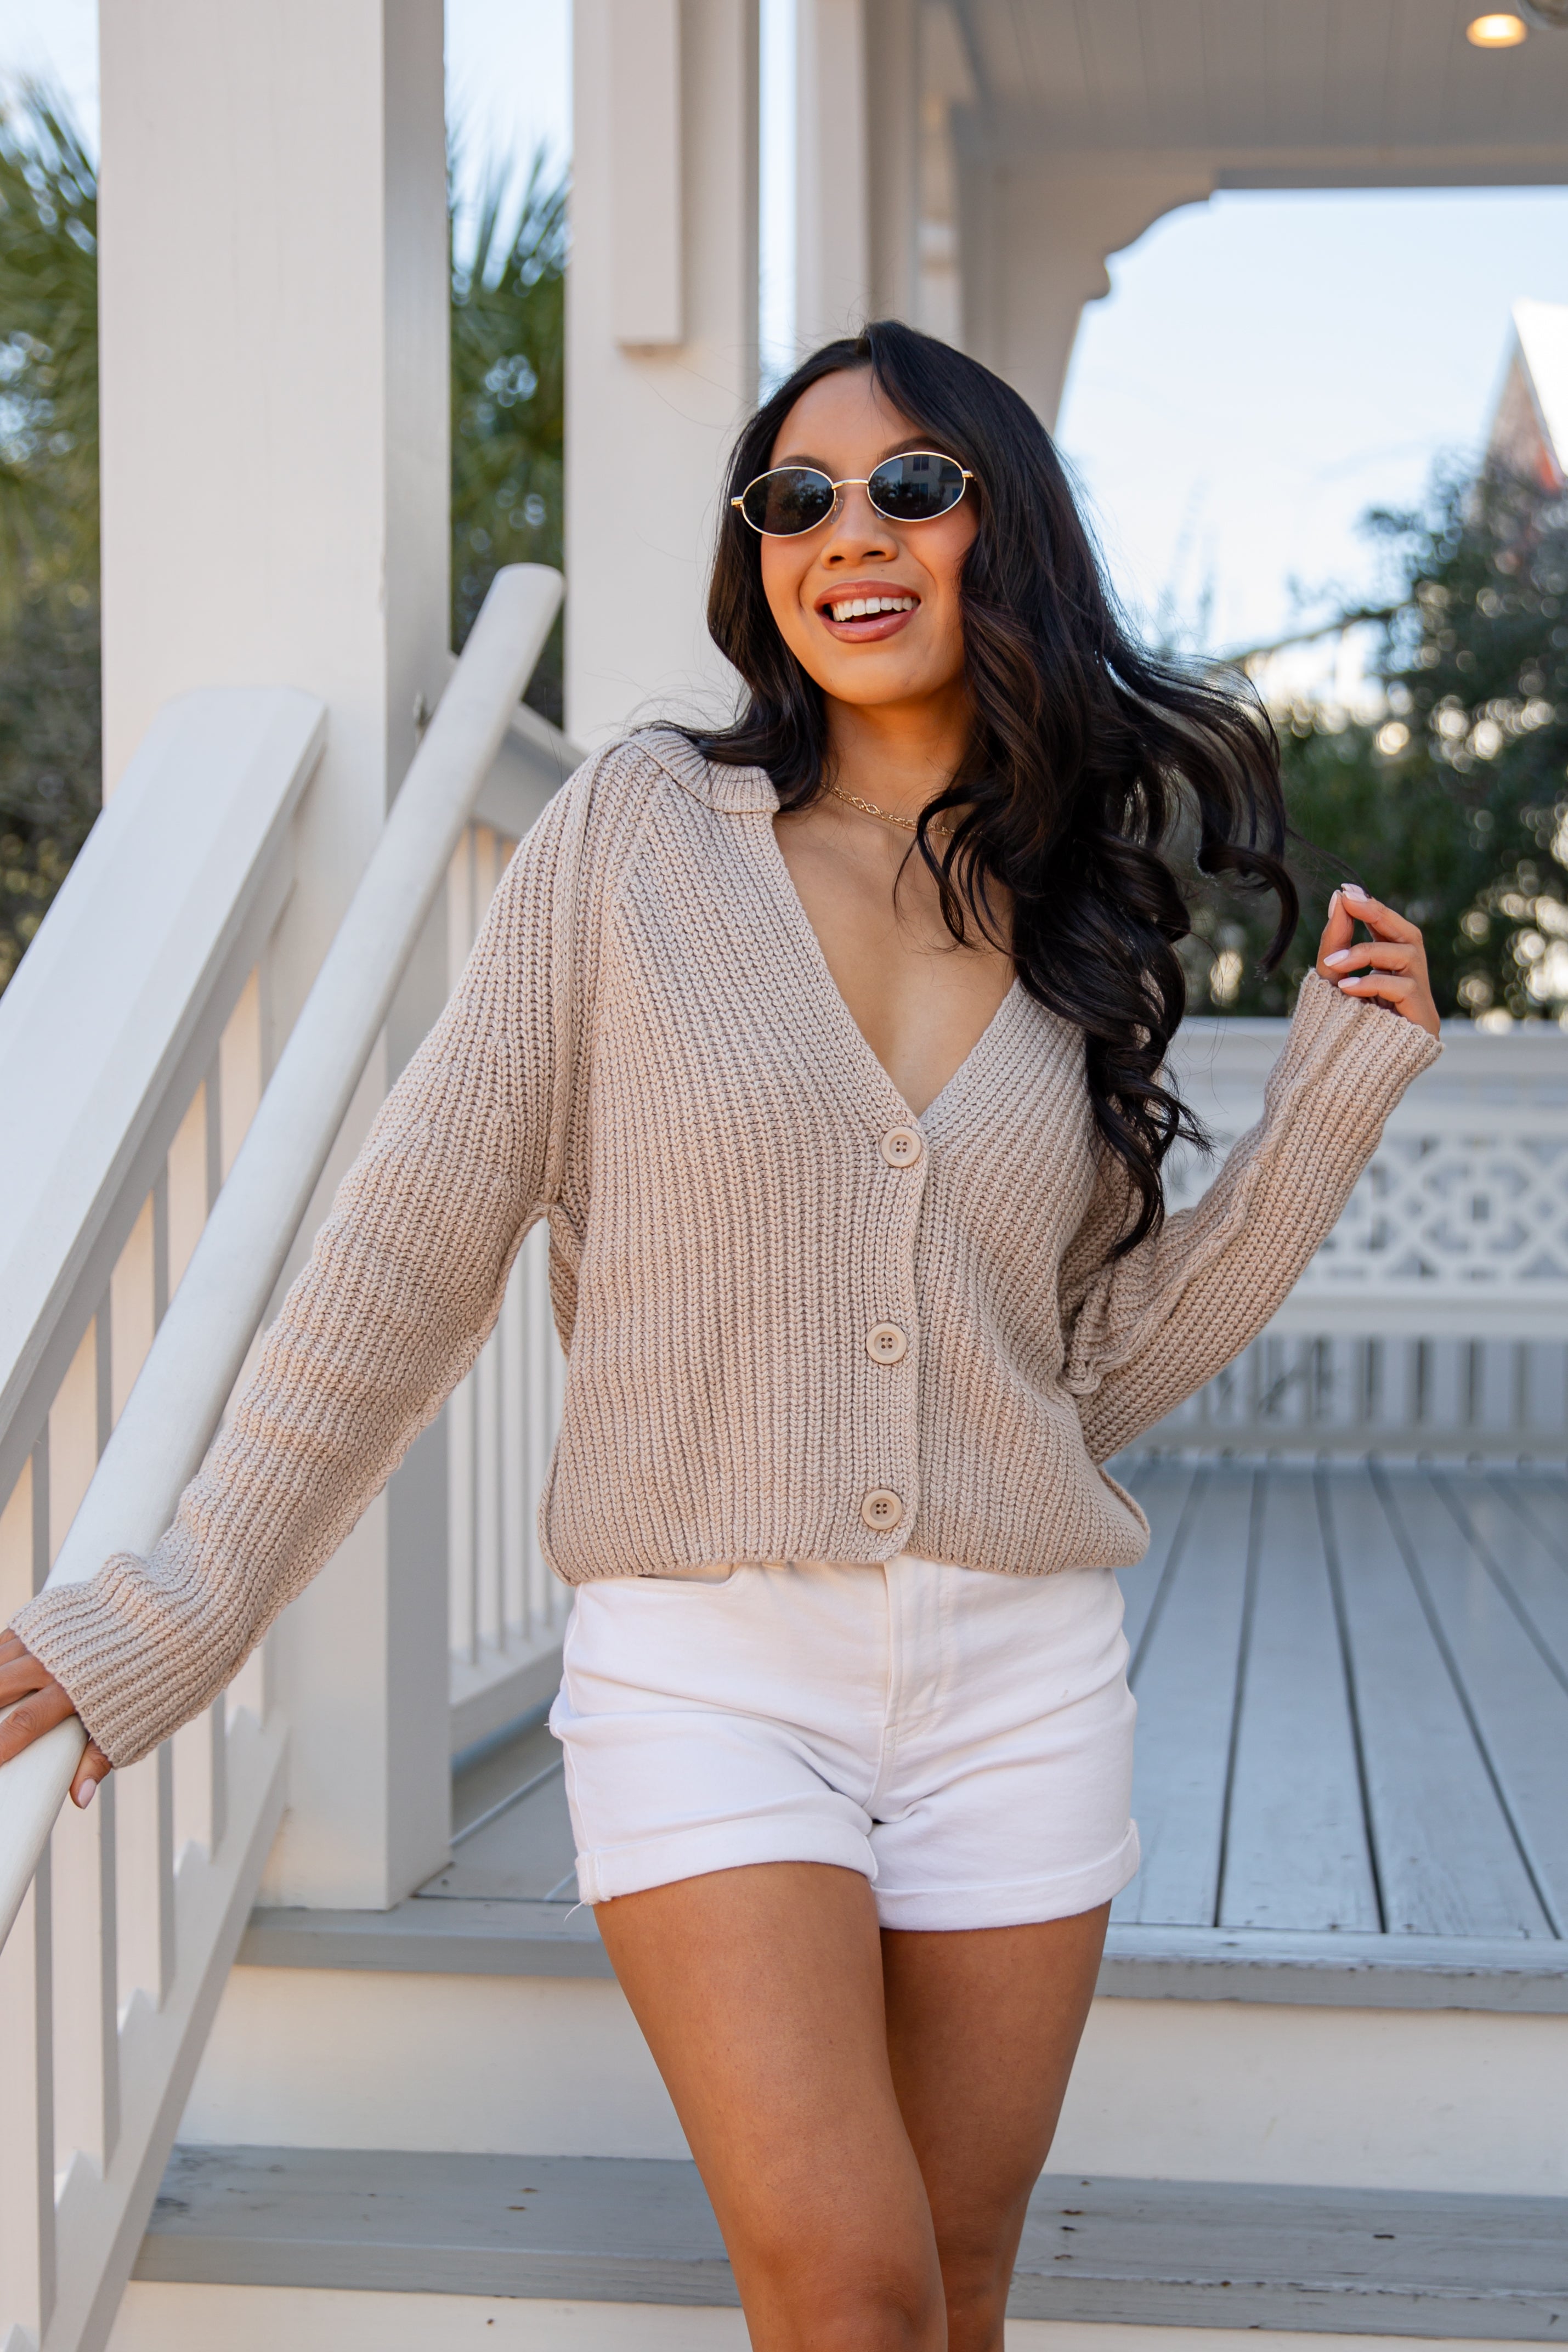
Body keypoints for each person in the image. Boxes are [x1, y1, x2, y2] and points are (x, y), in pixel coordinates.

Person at [1, 321, 1440, 2350]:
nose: (844, 535)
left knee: (949, 2291)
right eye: (793, 497)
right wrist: (183, 1602)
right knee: (842, 2292)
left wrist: (1321, 1124)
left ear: (999, 526)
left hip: (1018, 1677)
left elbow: (1075, 1375)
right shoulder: (639, 837)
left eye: (909, 487)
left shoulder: (1071, 919)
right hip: (707, 1665)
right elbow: (409, 1249)